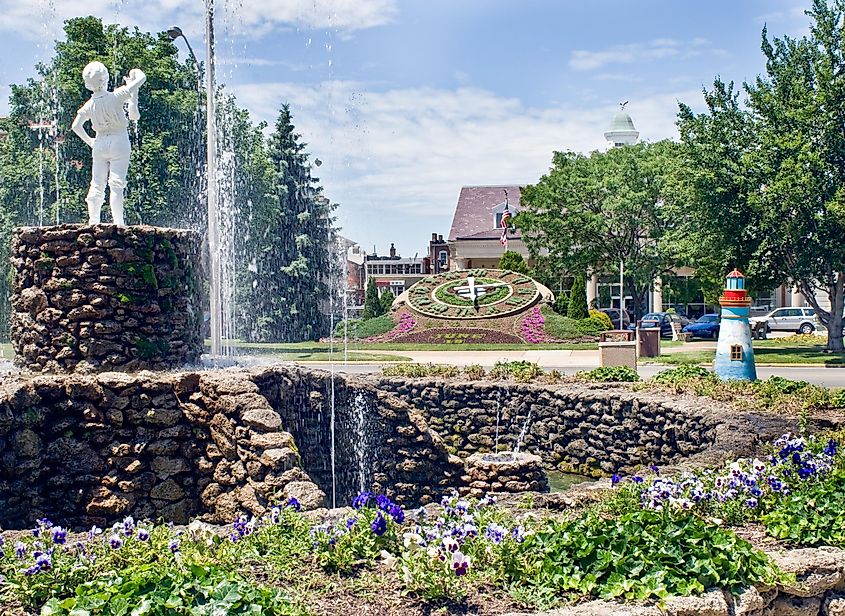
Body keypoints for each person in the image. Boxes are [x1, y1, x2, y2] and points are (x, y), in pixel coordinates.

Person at [71, 61, 146, 225]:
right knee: (116, 184)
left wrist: (90, 142)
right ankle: (119, 223)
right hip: (119, 140)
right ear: (105, 78)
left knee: (97, 184)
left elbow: (76, 126)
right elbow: (141, 78)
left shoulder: (89, 105)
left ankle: (93, 222)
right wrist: (135, 72)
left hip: (99, 142)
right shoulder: (116, 96)